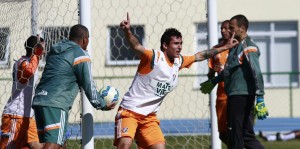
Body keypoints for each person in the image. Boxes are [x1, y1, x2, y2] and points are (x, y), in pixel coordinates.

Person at [114, 13, 238, 149]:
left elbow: (200, 55)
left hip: (148, 117)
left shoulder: (179, 62)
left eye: (181, 44)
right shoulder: (154, 58)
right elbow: (136, 46)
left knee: (160, 147)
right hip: (129, 111)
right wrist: (127, 32)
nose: (179, 47)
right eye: (176, 44)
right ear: (165, 45)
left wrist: (225, 47)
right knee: (125, 145)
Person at [32, 24, 116, 149]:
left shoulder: (55, 50)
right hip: (56, 102)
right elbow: (88, 85)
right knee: (53, 144)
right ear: (85, 40)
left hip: (39, 99)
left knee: (60, 143)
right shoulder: (80, 55)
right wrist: (102, 104)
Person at [201, 14, 269, 149]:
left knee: (235, 134)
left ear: (242, 29)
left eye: (232, 28)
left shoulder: (248, 47)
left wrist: (260, 97)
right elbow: (228, 70)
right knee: (244, 135)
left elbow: (256, 71)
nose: (229, 31)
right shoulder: (235, 48)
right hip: (234, 95)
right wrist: (214, 80)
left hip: (241, 96)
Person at [0, 35, 45, 149]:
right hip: (15, 115)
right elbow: (27, 73)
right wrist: (36, 54)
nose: (44, 51)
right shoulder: (22, 62)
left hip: (28, 116)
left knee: (37, 145)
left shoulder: (32, 62)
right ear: (36, 49)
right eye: (42, 47)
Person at [206, 20, 231, 146]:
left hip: (236, 95)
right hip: (222, 97)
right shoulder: (215, 50)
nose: (223, 31)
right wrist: (212, 72)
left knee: (238, 132)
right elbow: (210, 75)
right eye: (222, 28)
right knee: (223, 134)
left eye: (226, 28)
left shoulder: (237, 48)